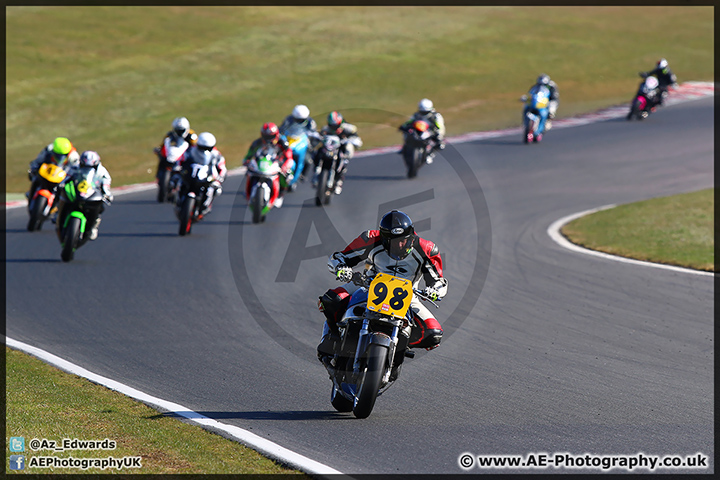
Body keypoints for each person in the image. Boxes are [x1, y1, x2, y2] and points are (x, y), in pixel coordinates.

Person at [316, 210, 449, 363]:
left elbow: (439, 281)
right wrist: (341, 268)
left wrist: (433, 290)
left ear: (411, 237)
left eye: (403, 240)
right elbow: (339, 257)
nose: (399, 245)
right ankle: (333, 337)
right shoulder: (371, 239)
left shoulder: (426, 249)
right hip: (368, 284)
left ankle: (399, 344)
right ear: (384, 238)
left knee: (434, 334)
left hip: (408, 294)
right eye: (393, 241)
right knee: (331, 300)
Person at [55, 150, 112, 242]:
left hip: (92, 192)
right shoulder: (75, 167)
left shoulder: (102, 171)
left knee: (100, 206)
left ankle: (94, 225)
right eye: (84, 166)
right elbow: (67, 176)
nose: (87, 169)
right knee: (62, 195)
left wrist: (107, 194)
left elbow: (106, 183)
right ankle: (58, 213)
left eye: (90, 167)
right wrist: (61, 184)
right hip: (77, 189)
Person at [172, 132, 226, 218]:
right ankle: (177, 200)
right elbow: (180, 159)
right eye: (202, 147)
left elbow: (222, 168)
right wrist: (177, 167)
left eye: (207, 148)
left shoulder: (216, 154)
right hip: (191, 174)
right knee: (176, 180)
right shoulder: (190, 150)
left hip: (207, 177)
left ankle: (206, 206)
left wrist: (220, 178)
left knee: (215, 189)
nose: (204, 150)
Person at [242, 123, 294, 208]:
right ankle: (248, 190)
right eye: (266, 137)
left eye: (270, 137)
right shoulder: (257, 143)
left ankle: (280, 195)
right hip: (262, 162)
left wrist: (286, 164)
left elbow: (288, 154)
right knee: (249, 172)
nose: (268, 139)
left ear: (276, 134)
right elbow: (249, 154)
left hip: (277, 163)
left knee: (287, 176)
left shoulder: (282, 142)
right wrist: (246, 160)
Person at [313, 111, 363, 194]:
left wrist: (352, 141)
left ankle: (339, 181)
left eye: (336, 126)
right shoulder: (326, 129)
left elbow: (357, 139)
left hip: (341, 148)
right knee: (318, 151)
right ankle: (316, 170)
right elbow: (319, 136)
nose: (334, 128)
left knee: (346, 153)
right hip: (330, 148)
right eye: (332, 126)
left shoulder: (349, 128)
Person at [27, 137, 80, 201]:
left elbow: (75, 171)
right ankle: (31, 192)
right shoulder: (49, 149)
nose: (60, 157)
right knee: (36, 176)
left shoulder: (74, 157)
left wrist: (67, 180)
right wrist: (33, 169)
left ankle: (59, 202)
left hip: (63, 174)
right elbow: (39, 159)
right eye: (57, 155)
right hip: (48, 169)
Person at [399, 99, 446, 163]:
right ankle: (405, 147)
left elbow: (440, 126)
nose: (424, 113)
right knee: (407, 133)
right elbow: (410, 121)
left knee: (440, 145)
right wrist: (404, 126)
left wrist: (439, 134)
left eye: (425, 112)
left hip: (430, 132)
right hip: (418, 131)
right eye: (422, 112)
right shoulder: (416, 115)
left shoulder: (436, 116)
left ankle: (430, 155)